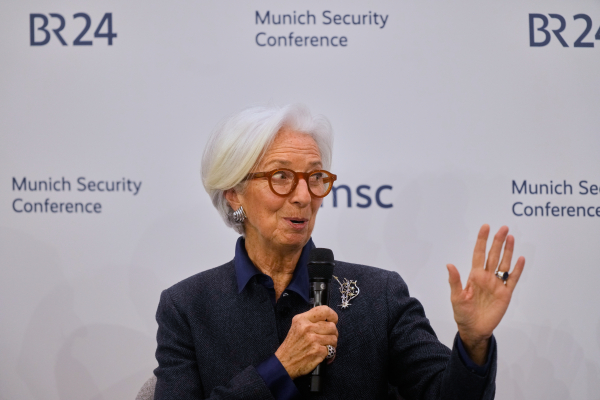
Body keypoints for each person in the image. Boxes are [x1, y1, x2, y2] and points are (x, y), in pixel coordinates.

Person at [153, 104, 525, 399]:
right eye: (281, 176)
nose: (304, 196)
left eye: (315, 177)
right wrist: (279, 369)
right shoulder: (187, 307)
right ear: (234, 193)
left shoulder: (379, 296)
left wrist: (473, 343)